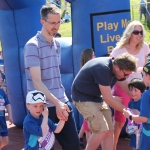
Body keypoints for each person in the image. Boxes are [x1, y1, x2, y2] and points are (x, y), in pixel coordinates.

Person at [24, 3, 79, 150]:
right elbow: (37, 82)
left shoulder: (57, 44)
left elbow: (55, 76)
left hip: (61, 102)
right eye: (52, 23)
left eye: (59, 22)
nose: (57, 26)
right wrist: (57, 103)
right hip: (42, 107)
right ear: (43, 22)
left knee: (73, 145)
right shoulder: (32, 46)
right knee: (45, 147)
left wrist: (61, 103)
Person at [72, 53, 137, 150]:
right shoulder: (102, 68)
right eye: (126, 74)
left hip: (97, 98)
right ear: (118, 68)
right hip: (83, 99)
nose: (127, 77)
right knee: (101, 130)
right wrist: (127, 111)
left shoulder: (116, 68)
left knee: (109, 131)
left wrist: (137, 97)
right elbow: (108, 98)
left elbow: (125, 86)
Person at [110, 20, 150, 150]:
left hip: (141, 89)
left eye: (141, 32)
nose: (139, 35)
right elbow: (113, 71)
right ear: (129, 33)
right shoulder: (119, 50)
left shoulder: (144, 47)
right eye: (136, 32)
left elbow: (146, 67)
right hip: (123, 88)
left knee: (144, 118)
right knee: (120, 122)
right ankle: (113, 147)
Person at [123, 62, 150, 150]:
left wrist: (129, 116)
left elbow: (143, 118)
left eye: (143, 75)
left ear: (148, 76)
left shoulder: (146, 95)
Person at [78, 48, 95, 149]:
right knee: (88, 127)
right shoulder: (87, 71)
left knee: (87, 124)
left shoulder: (87, 69)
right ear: (89, 57)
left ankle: (79, 137)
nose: (95, 57)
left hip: (89, 101)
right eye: (93, 55)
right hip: (87, 102)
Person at [126, 78, 146, 150]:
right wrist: (128, 126)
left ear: (141, 91)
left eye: (135, 90)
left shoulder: (144, 102)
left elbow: (145, 117)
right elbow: (129, 118)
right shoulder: (130, 103)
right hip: (134, 133)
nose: (133, 93)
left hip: (143, 132)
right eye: (131, 90)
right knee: (135, 147)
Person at [0, 71, 13, 149]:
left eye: (1, 77)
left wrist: (10, 116)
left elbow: (8, 104)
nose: (1, 79)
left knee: (5, 141)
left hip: (2, 120)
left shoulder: (2, 92)